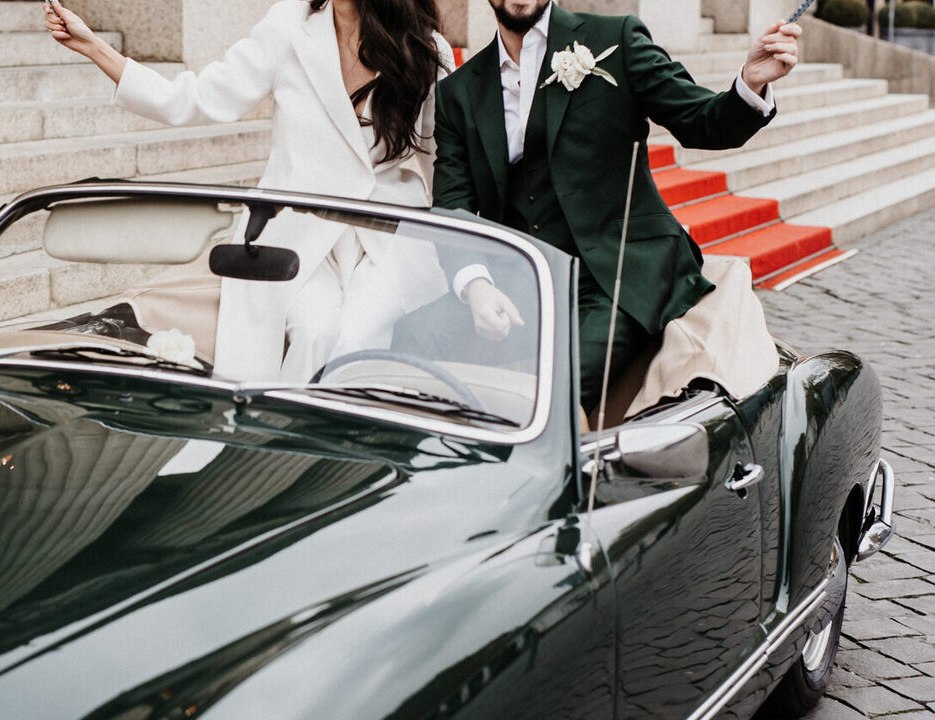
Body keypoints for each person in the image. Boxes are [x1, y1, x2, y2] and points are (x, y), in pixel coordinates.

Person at [396, 0, 801, 412]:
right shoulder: (458, 91)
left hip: (621, 272)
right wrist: (477, 287)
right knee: (410, 339)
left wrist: (750, 83)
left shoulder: (616, 39)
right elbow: (452, 203)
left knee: (556, 387)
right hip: (527, 277)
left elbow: (701, 121)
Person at [44, 0, 454, 381]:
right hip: (299, 230)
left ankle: (341, 450)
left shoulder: (423, 46)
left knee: (356, 336)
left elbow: (446, 158)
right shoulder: (291, 25)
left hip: (387, 236)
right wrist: (95, 47)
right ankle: (281, 447)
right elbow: (197, 98)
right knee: (316, 332)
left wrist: (469, 263)